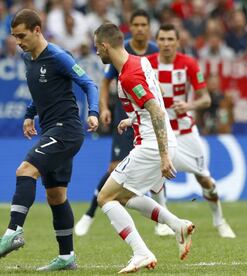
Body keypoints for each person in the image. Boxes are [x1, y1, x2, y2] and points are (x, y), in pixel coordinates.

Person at [0, 9, 99, 271]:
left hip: (66, 130)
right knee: (56, 196)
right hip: (51, 129)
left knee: (25, 171)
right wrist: (29, 115)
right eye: (14, 36)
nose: (18, 41)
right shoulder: (28, 58)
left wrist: (92, 112)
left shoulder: (59, 56)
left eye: (22, 35)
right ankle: (67, 256)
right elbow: (40, 91)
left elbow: (89, 83)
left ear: (38, 30)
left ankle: (13, 231)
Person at [94, 22, 195, 273]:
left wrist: (163, 157)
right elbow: (155, 96)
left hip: (151, 147)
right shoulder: (141, 62)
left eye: (97, 48)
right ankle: (176, 224)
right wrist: (134, 118)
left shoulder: (129, 76)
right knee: (127, 197)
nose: (97, 53)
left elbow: (157, 111)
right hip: (156, 141)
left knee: (105, 197)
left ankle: (141, 252)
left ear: (106, 45)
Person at [75, 9, 172, 237]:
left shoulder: (152, 53)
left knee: (154, 173)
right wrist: (104, 107)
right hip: (126, 117)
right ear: (131, 27)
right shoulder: (122, 49)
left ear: (148, 28)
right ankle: (89, 214)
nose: (139, 28)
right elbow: (106, 80)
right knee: (114, 169)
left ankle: (164, 223)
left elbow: (153, 88)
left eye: (143, 25)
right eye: (135, 24)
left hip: (146, 118)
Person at [147, 23, 236, 238]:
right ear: (157, 42)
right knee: (154, 174)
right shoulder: (147, 64)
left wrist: (189, 106)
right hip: (160, 131)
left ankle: (219, 220)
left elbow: (205, 98)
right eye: (162, 39)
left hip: (185, 131)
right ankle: (163, 222)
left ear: (178, 42)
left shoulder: (189, 64)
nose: (166, 43)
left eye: (170, 39)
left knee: (204, 179)